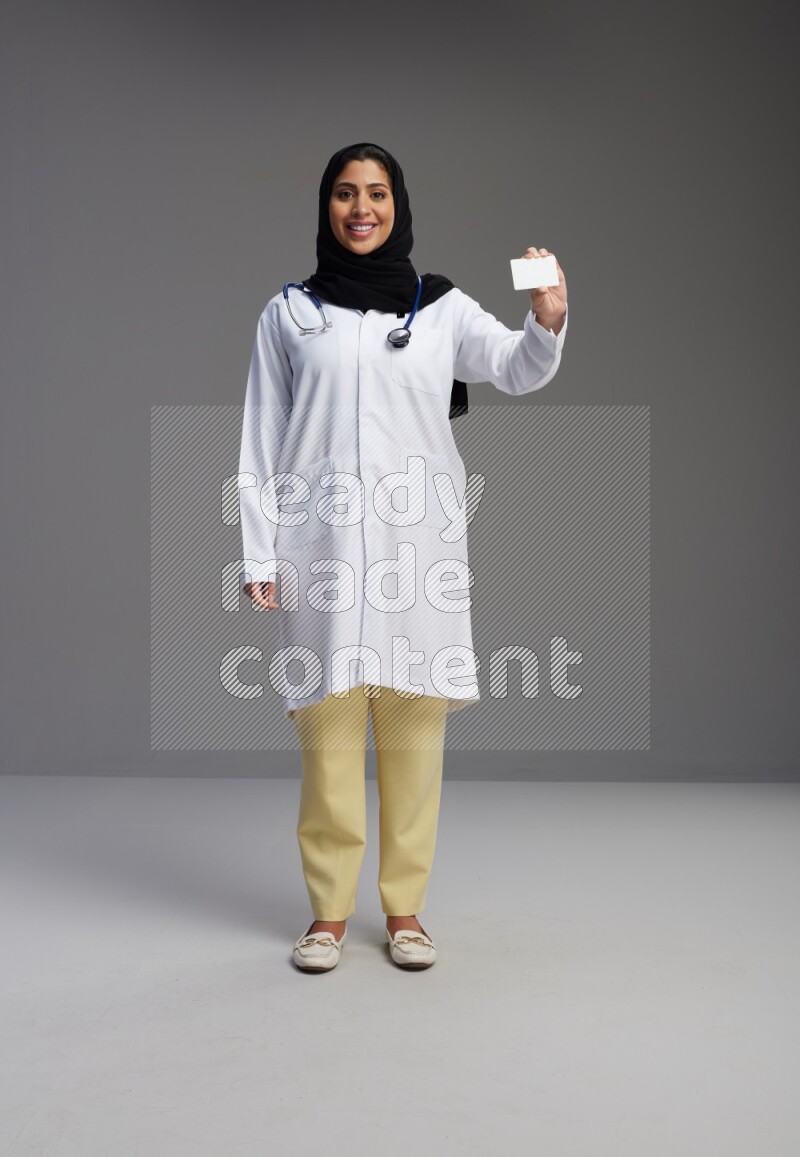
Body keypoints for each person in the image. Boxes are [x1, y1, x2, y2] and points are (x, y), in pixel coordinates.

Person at [238, 142, 568, 972]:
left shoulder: (439, 306)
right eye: (345, 194)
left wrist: (548, 318)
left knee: (415, 734)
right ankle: (327, 914)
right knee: (329, 735)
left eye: (376, 193)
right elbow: (260, 439)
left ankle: (406, 909)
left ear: (398, 204)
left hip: (417, 551)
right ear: (326, 207)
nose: (361, 209)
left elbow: (514, 368)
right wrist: (259, 556)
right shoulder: (290, 314)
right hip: (321, 553)